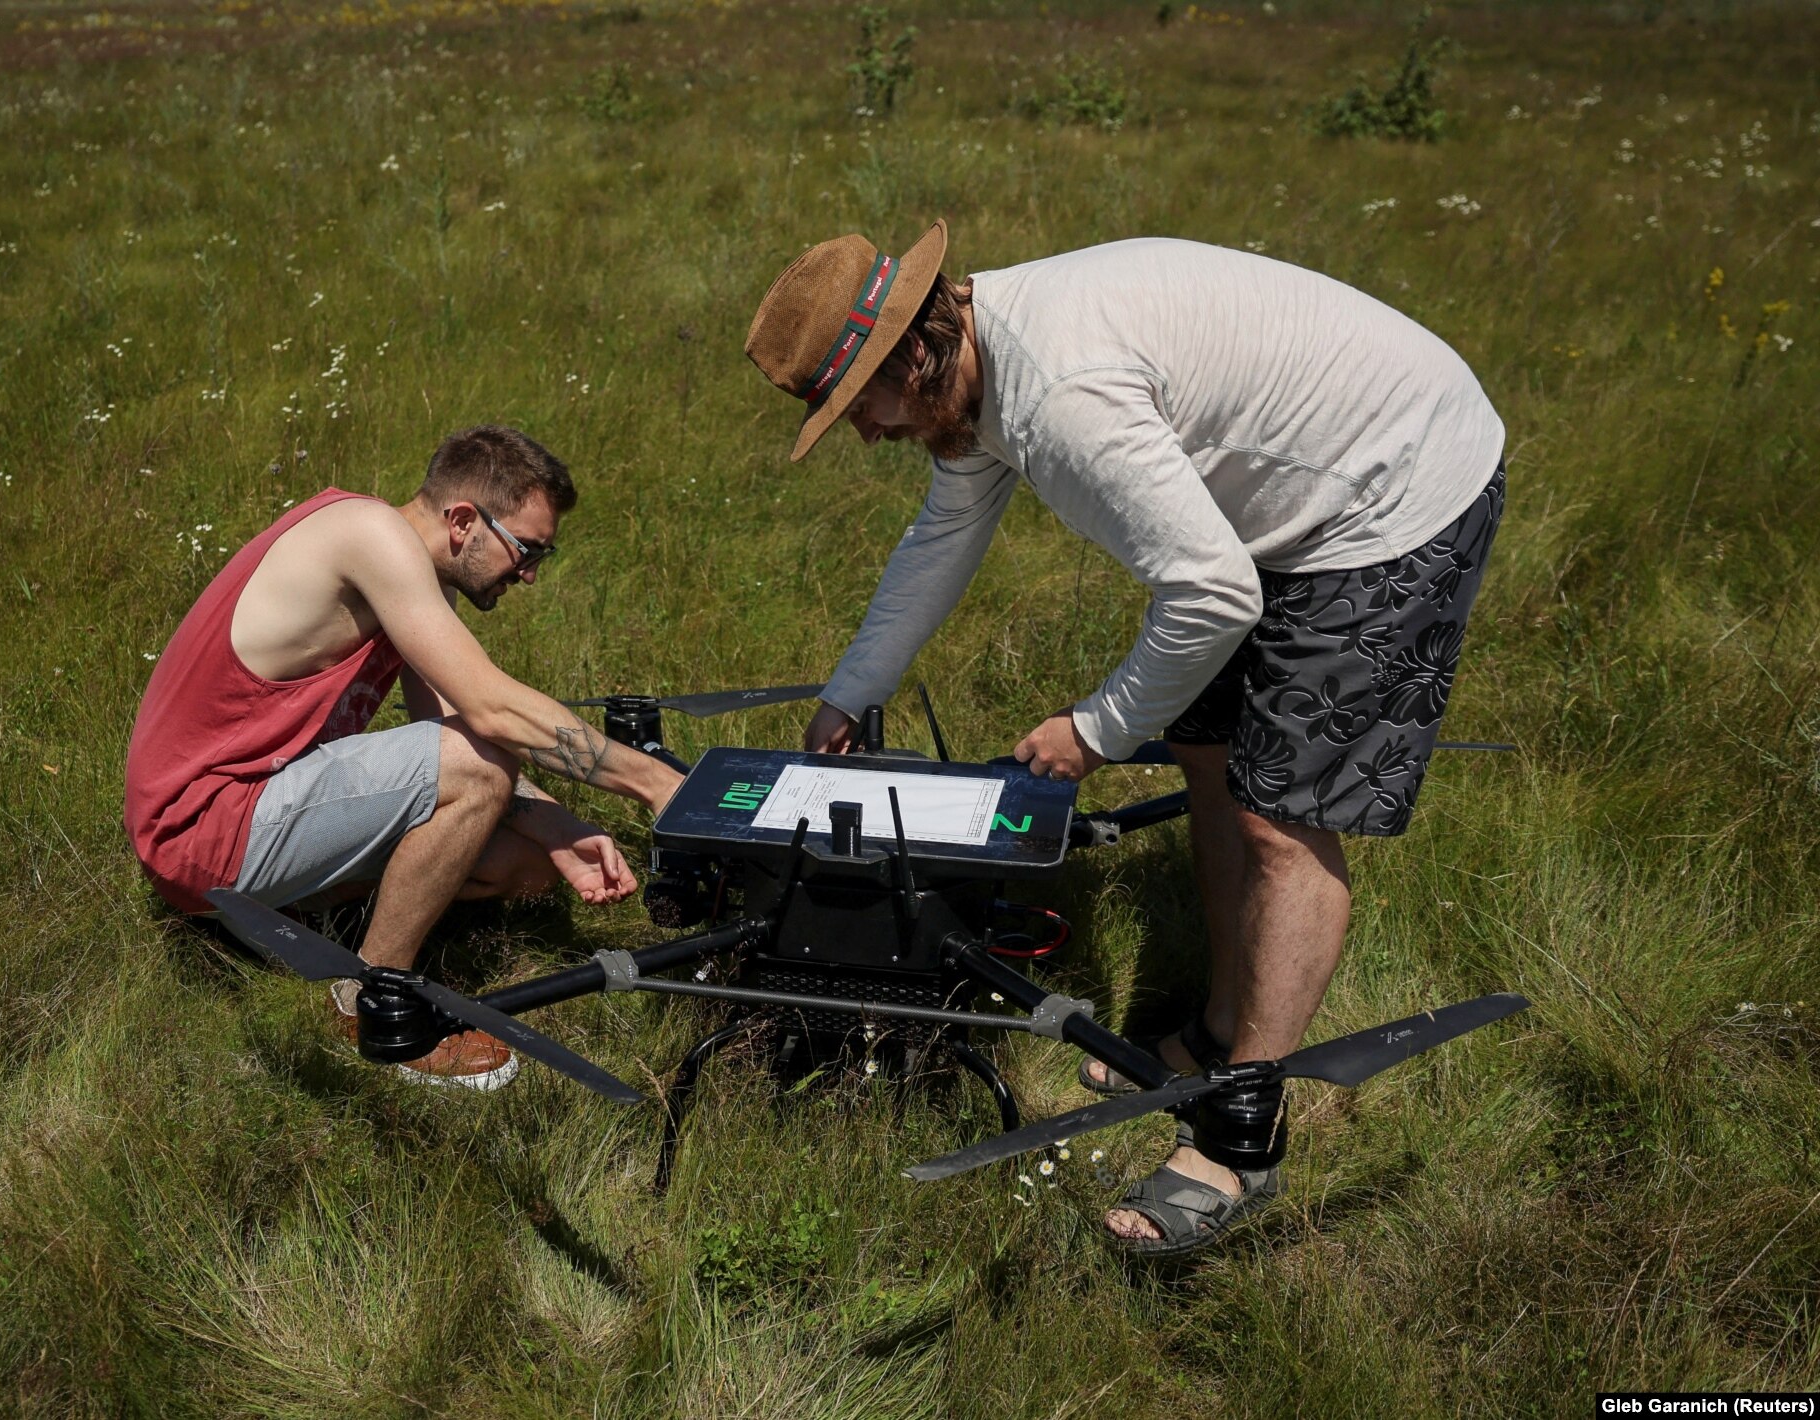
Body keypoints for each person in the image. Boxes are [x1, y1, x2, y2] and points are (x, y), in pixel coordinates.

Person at [744, 221, 1505, 1255]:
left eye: (859, 409)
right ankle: (1214, 1032)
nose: (867, 435)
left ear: (910, 355)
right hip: (1262, 513)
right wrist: (848, 694)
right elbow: (940, 539)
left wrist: (1094, 730)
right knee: (1206, 760)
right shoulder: (974, 372)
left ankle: (1243, 1132)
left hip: (1389, 492)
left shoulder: (1058, 395)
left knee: (1280, 822)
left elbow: (1209, 591)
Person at [125, 425, 683, 1088]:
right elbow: (489, 717)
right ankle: (371, 1005)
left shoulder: (412, 571)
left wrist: (560, 829)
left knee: (528, 867)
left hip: (255, 813)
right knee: (478, 773)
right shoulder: (369, 537)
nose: (531, 575)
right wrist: (657, 784)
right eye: (528, 550)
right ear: (464, 520)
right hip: (202, 831)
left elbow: (449, 722)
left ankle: (315, 916)